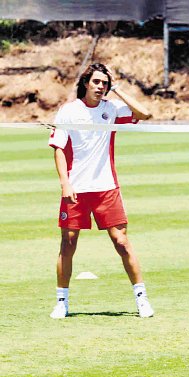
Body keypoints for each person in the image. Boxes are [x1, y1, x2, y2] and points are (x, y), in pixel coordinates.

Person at [48, 63, 154, 319]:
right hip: (77, 188)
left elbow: (146, 113)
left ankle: (142, 299)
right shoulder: (69, 111)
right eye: (96, 82)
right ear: (85, 83)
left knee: (122, 242)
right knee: (68, 242)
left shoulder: (112, 109)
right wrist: (65, 183)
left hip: (106, 187)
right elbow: (59, 148)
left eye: (104, 83)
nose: (100, 87)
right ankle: (62, 301)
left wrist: (117, 89)